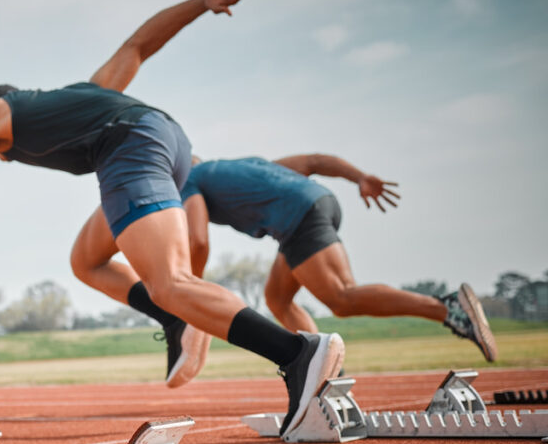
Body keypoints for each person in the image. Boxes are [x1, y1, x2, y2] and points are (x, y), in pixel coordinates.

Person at [0, 0, 343, 439]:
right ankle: (173, 317)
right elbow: (137, 46)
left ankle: (296, 353)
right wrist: (202, 3)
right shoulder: (83, 95)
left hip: (131, 147)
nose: (3, 158)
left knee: (172, 283)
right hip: (168, 142)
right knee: (87, 259)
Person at [178, 154, 497, 360]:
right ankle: (319, 365)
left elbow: (198, 241)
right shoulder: (241, 166)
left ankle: (447, 307)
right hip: (319, 204)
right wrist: (359, 177)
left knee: (342, 298)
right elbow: (313, 162)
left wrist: (192, 289)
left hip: (299, 217)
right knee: (277, 298)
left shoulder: (189, 181)